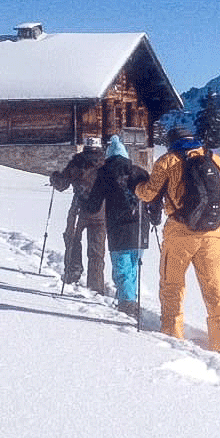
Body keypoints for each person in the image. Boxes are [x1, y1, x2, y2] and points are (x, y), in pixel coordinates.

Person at [135, 125, 220, 361]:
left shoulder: (168, 161)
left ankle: (172, 335)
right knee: (214, 287)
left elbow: (149, 194)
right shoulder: (214, 158)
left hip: (180, 232)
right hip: (213, 234)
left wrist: (137, 186)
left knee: (172, 285)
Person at [82, 135, 149, 319]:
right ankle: (130, 298)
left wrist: (84, 200)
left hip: (118, 226)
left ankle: (127, 302)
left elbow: (93, 205)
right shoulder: (140, 171)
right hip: (141, 225)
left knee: (122, 265)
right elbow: (153, 196)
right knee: (134, 264)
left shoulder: (105, 173)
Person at [49, 138, 106, 292]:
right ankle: (96, 286)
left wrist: (54, 177)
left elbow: (62, 184)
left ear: (86, 146)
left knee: (72, 238)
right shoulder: (105, 163)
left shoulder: (77, 161)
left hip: (79, 209)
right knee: (97, 251)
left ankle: (73, 271)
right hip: (101, 211)